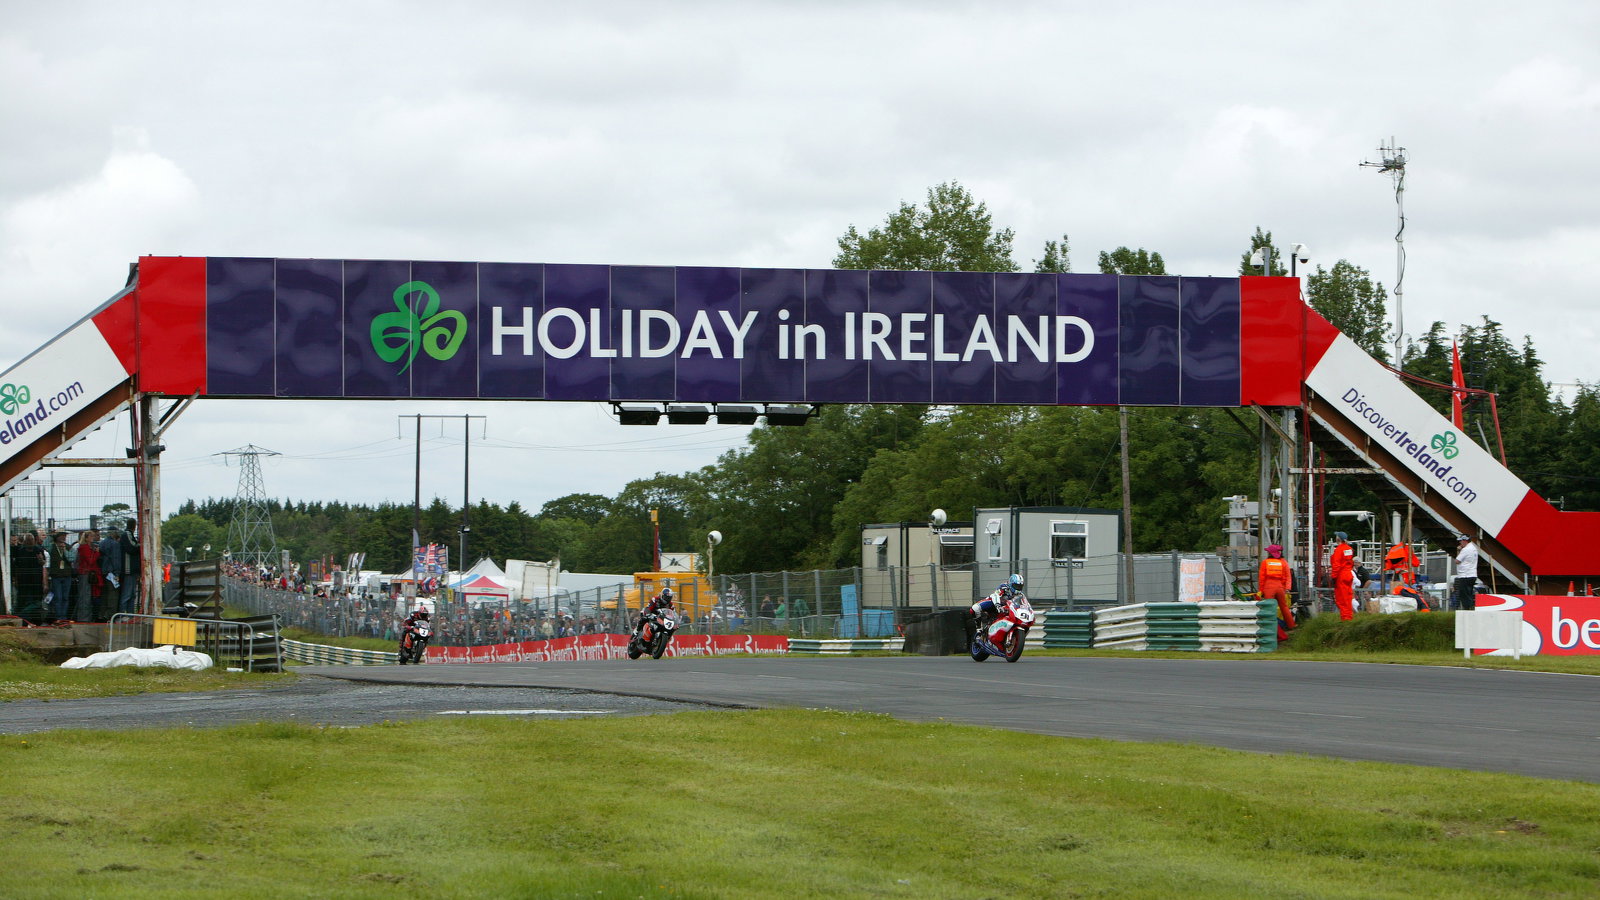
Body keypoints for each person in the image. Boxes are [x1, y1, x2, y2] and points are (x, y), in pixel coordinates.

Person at [963, 573, 1025, 648]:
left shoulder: (1020, 595)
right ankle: (979, 629)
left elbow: (1023, 604)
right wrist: (998, 605)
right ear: (1011, 584)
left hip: (1006, 608)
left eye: (1020, 587)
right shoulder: (1004, 587)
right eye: (1016, 586)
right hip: (993, 603)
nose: (1018, 588)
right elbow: (996, 595)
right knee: (974, 609)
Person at [1259, 545, 1294, 631]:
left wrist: (1261, 590)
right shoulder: (1283, 562)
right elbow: (1288, 576)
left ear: (1270, 553)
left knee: (1268, 607)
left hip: (1268, 586)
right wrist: (1287, 588)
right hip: (1280, 586)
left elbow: (1262, 578)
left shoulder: (1265, 562)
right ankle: (1291, 625)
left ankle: (1269, 626)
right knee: (1284, 607)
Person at [74, 529, 103, 622]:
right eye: (91, 536)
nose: (93, 538)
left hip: (89, 573)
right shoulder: (84, 548)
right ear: (86, 538)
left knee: (88, 596)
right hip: (85, 573)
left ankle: (87, 617)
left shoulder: (89, 547)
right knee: (85, 596)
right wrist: (97, 553)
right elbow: (90, 560)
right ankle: (84, 617)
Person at [46, 532, 75, 621]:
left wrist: (65, 551)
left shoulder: (69, 547)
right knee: (58, 597)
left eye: (65, 536)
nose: (64, 537)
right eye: (61, 535)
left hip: (67, 575)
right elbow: (44, 545)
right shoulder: (52, 546)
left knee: (65, 597)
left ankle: (64, 617)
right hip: (56, 575)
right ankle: (58, 617)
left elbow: (72, 558)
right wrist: (50, 535)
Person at [1329, 531, 1356, 621]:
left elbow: (1336, 565)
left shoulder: (1339, 550)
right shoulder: (1349, 549)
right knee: (1348, 598)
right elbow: (1350, 562)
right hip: (1349, 574)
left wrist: (1333, 577)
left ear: (1338, 539)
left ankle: (1346, 619)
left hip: (1341, 575)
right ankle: (1349, 617)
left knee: (1341, 599)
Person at [1453, 534, 1479, 611]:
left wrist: (1458, 550)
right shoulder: (1474, 548)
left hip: (1465, 575)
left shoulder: (1466, 549)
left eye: (1460, 541)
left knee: (1464, 595)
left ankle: (1467, 610)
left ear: (1465, 540)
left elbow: (1457, 561)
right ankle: (1471, 608)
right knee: (1469, 593)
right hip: (1472, 574)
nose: (1460, 543)